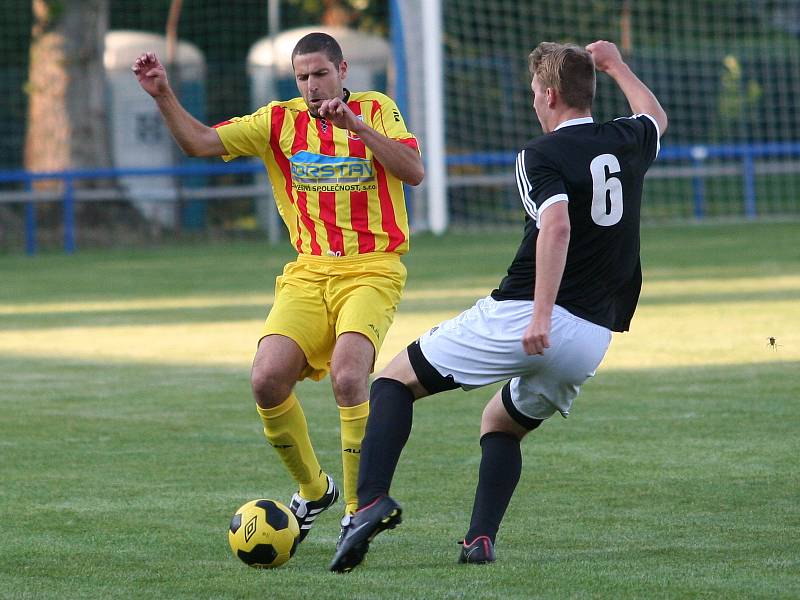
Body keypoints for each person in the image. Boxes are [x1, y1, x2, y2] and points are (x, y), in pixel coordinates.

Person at [330, 39, 667, 573]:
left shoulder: (541, 154)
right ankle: (479, 540)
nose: (533, 100)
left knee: (393, 383)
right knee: (501, 423)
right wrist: (618, 65)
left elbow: (556, 227)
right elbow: (655, 116)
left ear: (551, 95)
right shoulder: (627, 139)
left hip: (528, 315)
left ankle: (370, 500)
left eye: (535, 91)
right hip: (592, 337)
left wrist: (538, 315)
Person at [132, 32, 424, 545]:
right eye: (303, 77)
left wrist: (355, 128)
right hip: (309, 271)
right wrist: (162, 95)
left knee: (349, 375)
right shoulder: (277, 121)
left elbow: (413, 171)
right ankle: (314, 491)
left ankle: (358, 514)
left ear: (343, 71)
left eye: (321, 74)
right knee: (266, 379)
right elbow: (199, 143)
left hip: (373, 267)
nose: (312, 86)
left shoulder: (378, 110)